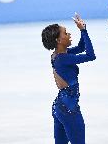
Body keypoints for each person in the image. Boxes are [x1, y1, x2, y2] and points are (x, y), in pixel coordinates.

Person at [41, 13, 96, 144]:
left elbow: (82, 47)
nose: (69, 34)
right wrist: (83, 31)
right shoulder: (63, 58)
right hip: (69, 109)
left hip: (59, 107)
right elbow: (90, 55)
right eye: (65, 33)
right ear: (58, 40)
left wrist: (83, 29)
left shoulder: (58, 55)